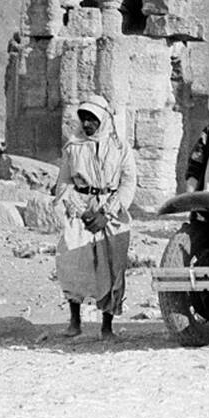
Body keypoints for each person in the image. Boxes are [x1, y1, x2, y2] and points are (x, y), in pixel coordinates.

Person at [53, 95, 137, 341]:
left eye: (93, 119)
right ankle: (75, 321)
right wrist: (82, 211)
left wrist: (108, 212)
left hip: (110, 210)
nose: (88, 124)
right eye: (84, 118)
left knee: (112, 266)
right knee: (72, 260)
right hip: (80, 209)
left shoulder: (121, 147)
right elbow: (65, 182)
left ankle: (107, 326)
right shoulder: (73, 147)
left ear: (104, 119)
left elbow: (128, 181)